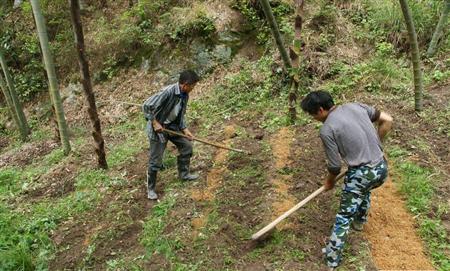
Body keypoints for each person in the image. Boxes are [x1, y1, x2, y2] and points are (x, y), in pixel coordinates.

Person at [300, 91, 393, 270]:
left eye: (312, 114)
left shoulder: (327, 129)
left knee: (343, 216)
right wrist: (378, 145)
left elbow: (334, 166)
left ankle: (332, 259)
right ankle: (359, 222)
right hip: (381, 168)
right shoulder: (356, 106)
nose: (312, 118)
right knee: (363, 189)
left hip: (361, 174)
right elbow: (387, 119)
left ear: (320, 110)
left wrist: (329, 182)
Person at [142, 70, 200, 200]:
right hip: (159, 129)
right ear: (185, 84)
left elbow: (180, 113)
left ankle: (184, 174)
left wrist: (185, 129)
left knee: (187, 147)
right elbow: (146, 106)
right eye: (192, 86)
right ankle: (151, 189)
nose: (193, 88)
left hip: (172, 127)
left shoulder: (185, 95)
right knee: (155, 160)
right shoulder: (167, 92)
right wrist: (155, 123)